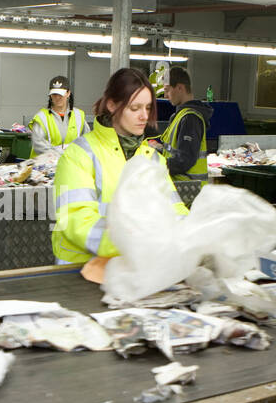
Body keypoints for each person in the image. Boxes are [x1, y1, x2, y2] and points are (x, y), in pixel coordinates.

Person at [52, 67, 186, 264]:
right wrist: (132, 242)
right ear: (113, 105)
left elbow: (174, 209)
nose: (144, 116)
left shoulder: (152, 159)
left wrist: (192, 233)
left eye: (148, 108)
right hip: (79, 271)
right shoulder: (80, 154)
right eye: (135, 108)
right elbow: (75, 220)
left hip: (129, 270)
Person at [157, 65, 212, 181]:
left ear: (180, 88)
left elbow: (184, 160)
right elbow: (174, 151)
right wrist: (158, 149)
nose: (166, 96)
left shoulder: (190, 118)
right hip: (177, 188)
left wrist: (156, 167)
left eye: (167, 90)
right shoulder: (179, 116)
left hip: (189, 190)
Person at [29, 75, 88, 156]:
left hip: (70, 164)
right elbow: (38, 145)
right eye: (54, 94)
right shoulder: (41, 117)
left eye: (61, 94)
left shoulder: (79, 115)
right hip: (44, 166)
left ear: (68, 93)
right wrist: (62, 154)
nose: (57, 97)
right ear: (50, 95)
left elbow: (87, 140)